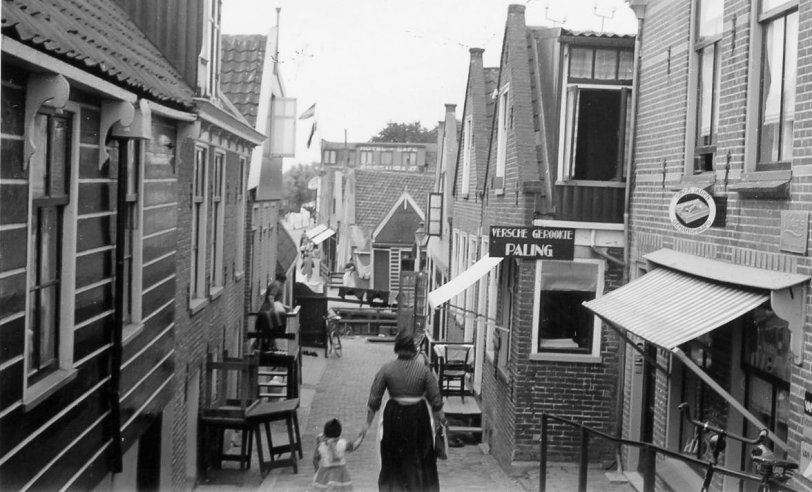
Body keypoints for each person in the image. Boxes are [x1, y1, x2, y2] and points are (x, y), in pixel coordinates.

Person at [362, 330, 446, 491]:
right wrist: (442, 421)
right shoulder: (424, 371)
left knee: (393, 457)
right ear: (413, 349)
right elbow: (436, 400)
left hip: (394, 416)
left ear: (397, 347)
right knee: (420, 457)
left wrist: (366, 425)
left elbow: (374, 400)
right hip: (418, 416)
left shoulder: (387, 369)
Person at [313, 418, 365, 492]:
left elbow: (315, 459)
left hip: (324, 476)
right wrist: (361, 437)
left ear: (325, 432)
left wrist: (316, 470)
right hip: (341, 476)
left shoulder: (321, 445)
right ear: (339, 433)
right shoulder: (343, 443)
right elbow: (354, 446)